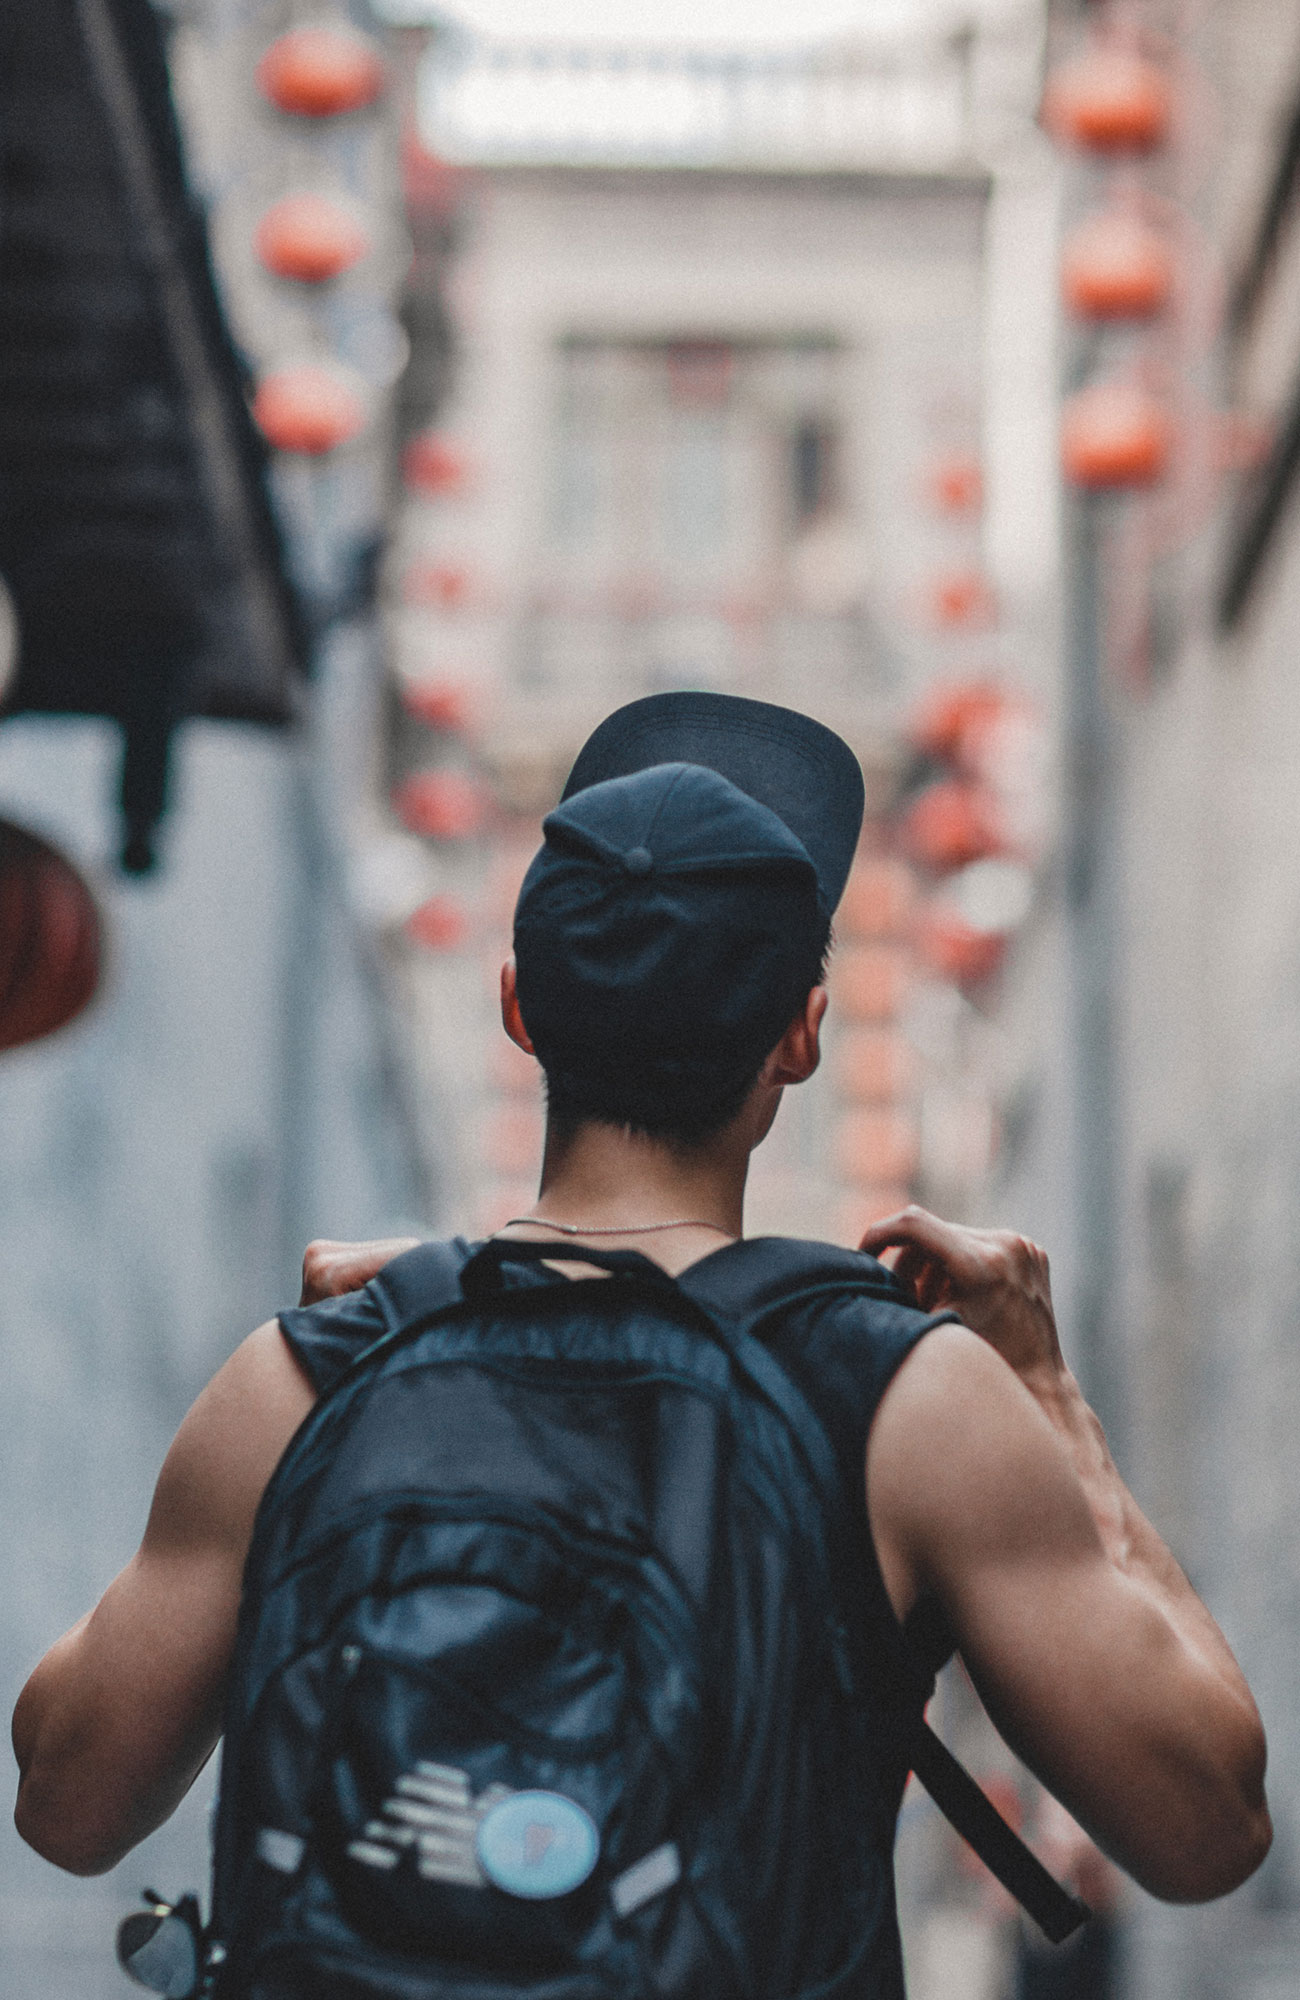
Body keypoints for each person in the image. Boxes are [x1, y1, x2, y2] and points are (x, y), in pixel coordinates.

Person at [13, 694, 1269, 1969]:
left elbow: (66, 1800)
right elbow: (1205, 1825)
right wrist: (1048, 1391)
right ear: (801, 1034)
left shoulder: (305, 1379)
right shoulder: (903, 1404)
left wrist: (365, 1356)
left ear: (518, 1007)